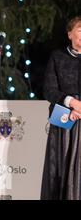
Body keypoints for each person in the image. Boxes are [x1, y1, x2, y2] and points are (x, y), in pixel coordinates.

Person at [41, 16, 81, 199]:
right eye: (80, 30)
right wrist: (73, 103)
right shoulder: (57, 57)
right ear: (70, 34)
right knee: (61, 165)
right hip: (63, 117)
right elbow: (49, 90)